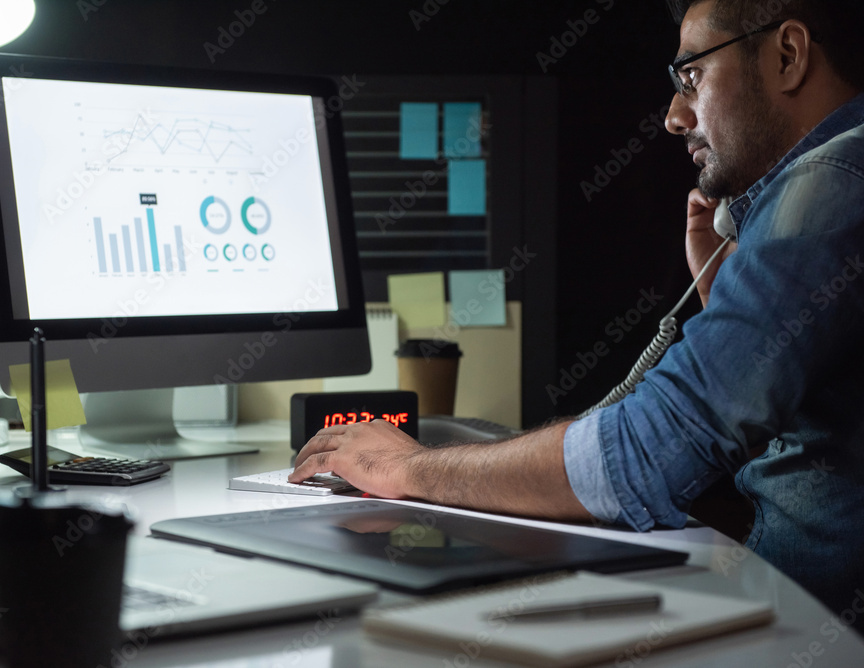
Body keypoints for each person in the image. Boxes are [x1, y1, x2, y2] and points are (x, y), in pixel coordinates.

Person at [291, 0, 864, 625]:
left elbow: (650, 454)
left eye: (692, 77)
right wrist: (726, 299)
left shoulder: (831, 181)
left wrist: (406, 468)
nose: (674, 117)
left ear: (788, 55)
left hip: (817, 634)